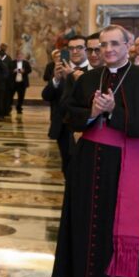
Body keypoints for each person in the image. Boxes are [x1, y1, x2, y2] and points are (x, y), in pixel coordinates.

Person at [53, 25, 139, 277]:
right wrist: (91, 113)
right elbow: (69, 116)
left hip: (127, 159)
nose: (108, 50)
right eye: (103, 45)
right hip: (89, 158)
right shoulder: (89, 78)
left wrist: (114, 112)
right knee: (86, 218)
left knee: (120, 222)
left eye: (115, 44)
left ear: (128, 45)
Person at [43, 35, 89, 173]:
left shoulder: (93, 71)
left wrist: (73, 77)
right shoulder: (60, 69)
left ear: (86, 50)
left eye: (79, 47)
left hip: (85, 127)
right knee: (67, 166)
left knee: (83, 167)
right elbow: (46, 96)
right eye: (71, 48)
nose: (75, 51)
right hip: (63, 127)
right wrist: (56, 80)